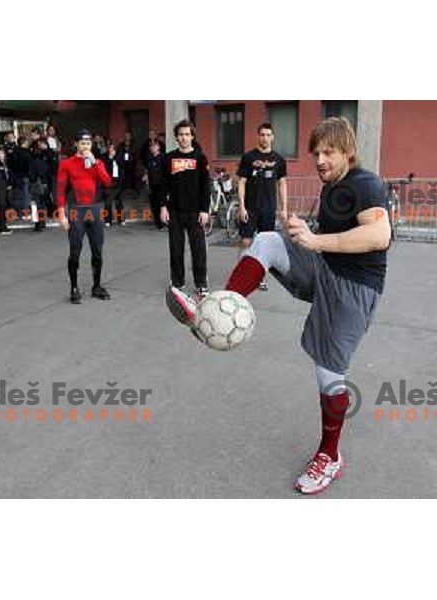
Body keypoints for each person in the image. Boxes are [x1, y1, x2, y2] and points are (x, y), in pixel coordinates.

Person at [167, 117, 391, 495]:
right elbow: (336, 236)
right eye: (315, 152)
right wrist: (308, 234)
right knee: (268, 241)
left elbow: (379, 234)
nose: (319, 159)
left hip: (354, 289)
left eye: (328, 152)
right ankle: (217, 305)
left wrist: (317, 243)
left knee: (328, 372)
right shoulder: (335, 186)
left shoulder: (364, 183)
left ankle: (330, 455)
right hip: (324, 268)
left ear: (348, 152)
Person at [57, 129, 114, 304]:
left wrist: (94, 163)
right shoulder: (67, 163)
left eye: (88, 143)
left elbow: (108, 182)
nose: (85, 146)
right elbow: (59, 189)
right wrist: (61, 214)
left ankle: (96, 286)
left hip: (96, 210)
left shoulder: (97, 162)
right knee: (75, 252)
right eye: (82, 143)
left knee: (97, 251)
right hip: (77, 210)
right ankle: (74, 288)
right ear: (76, 144)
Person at [160, 119, 210, 300]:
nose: (184, 138)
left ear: (192, 136)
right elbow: (162, 185)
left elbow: (206, 186)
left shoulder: (200, 157)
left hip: (196, 212)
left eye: (187, 134)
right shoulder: (169, 158)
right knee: (176, 249)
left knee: (198, 250)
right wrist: (162, 207)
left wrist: (205, 210)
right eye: (181, 134)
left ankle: (201, 284)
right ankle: (178, 282)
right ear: (176, 137)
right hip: (175, 211)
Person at [237, 122, 288, 290]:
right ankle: (242, 275)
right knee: (246, 241)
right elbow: (242, 183)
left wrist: (284, 208)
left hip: (268, 208)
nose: (265, 137)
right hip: (250, 208)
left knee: (264, 244)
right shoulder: (248, 157)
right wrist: (242, 207)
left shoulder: (279, 160)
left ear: (272, 137)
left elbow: (282, 184)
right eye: (262, 134)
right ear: (258, 136)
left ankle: (259, 278)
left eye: (268, 134)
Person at [29, 138, 51, 231]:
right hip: (44, 183)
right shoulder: (44, 161)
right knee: (42, 204)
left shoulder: (33, 162)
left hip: (36, 184)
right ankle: (43, 222)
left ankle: (38, 224)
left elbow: (32, 175)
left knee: (36, 204)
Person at [144, 140, 166, 230]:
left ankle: (163, 223)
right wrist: (146, 178)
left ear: (158, 147)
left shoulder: (163, 158)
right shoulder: (150, 159)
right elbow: (148, 170)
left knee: (161, 203)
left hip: (161, 184)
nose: (152, 148)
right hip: (152, 185)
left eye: (154, 146)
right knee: (153, 204)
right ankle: (158, 224)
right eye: (151, 146)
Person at [116, 131, 135, 225]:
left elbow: (135, 154)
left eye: (128, 135)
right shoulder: (121, 146)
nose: (127, 137)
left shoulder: (133, 145)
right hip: (122, 169)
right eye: (126, 135)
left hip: (131, 166)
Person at [101, 142, 122, 227]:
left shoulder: (119, 157)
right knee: (108, 202)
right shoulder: (104, 158)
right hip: (109, 182)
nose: (111, 150)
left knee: (119, 201)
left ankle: (121, 219)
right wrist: (110, 158)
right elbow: (104, 169)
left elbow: (123, 166)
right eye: (110, 149)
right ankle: (107, 220)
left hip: (117, 181)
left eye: (113, 149)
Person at [12, 136, 32, 220]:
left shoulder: (14, 152)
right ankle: (25, 212)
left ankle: (18, 212)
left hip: (16, 176)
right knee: (25, 195)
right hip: (25, 176)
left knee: (18, 195)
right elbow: (29, 165)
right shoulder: (27, 153)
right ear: (24, 143)